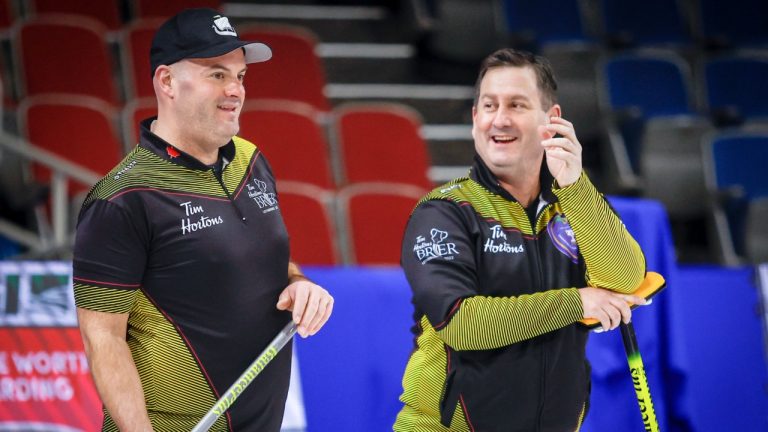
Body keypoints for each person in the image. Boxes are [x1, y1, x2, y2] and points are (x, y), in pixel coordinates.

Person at [72, 8, 333, 432]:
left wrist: (299, 284)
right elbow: (103, 338)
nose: (235, 90)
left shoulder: (251, 161)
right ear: (167, 82)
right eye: (216, 74)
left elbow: (262, 262)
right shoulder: (122, 198)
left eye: (241, 76)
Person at [393, 48, 647, 431]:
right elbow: (461, 323)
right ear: (475, 117)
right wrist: (576, 302)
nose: (500, 119)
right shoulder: (443, 212)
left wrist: (575, 187)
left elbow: (625, 279)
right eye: (489, 105)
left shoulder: (574, 203)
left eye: (516, 104)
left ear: (552, 120)